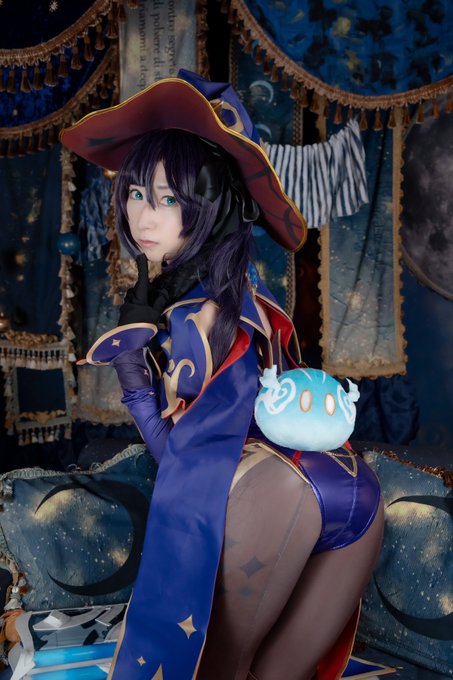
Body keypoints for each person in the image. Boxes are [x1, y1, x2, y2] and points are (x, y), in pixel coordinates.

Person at [61, 69, 384, 680]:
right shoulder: (246, 296)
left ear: (210, 208)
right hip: (348, 484)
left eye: (169, 199)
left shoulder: (200, 313)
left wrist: (133, 377)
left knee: (215, 669)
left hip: (274, 491)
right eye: (136, 193)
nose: (143, 217)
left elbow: (182, 455)